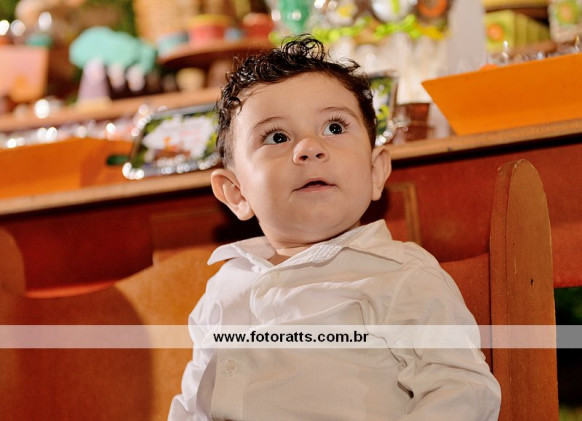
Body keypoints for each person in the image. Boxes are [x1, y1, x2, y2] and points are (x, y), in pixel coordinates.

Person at [169, 35, 501, 421]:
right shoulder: (224, 287)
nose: (310, 147)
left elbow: (463, 389)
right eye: (277, 137)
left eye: (334, 127)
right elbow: (193, 405)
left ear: (375, 171)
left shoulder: (399, 275)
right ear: (237, 192)